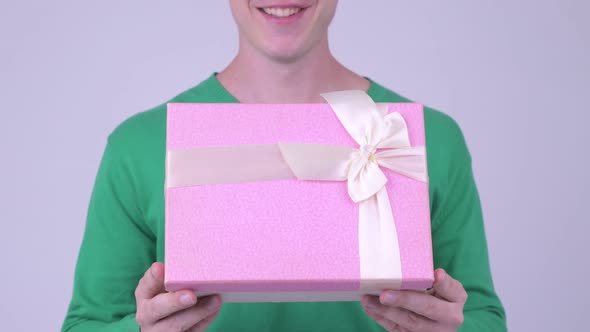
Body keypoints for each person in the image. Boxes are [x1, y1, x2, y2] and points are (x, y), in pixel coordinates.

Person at [62, 1, 506, 331]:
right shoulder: (138, 145)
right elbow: (87, 323)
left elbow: (484, 317)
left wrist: (454, 327)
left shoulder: (427, 139)